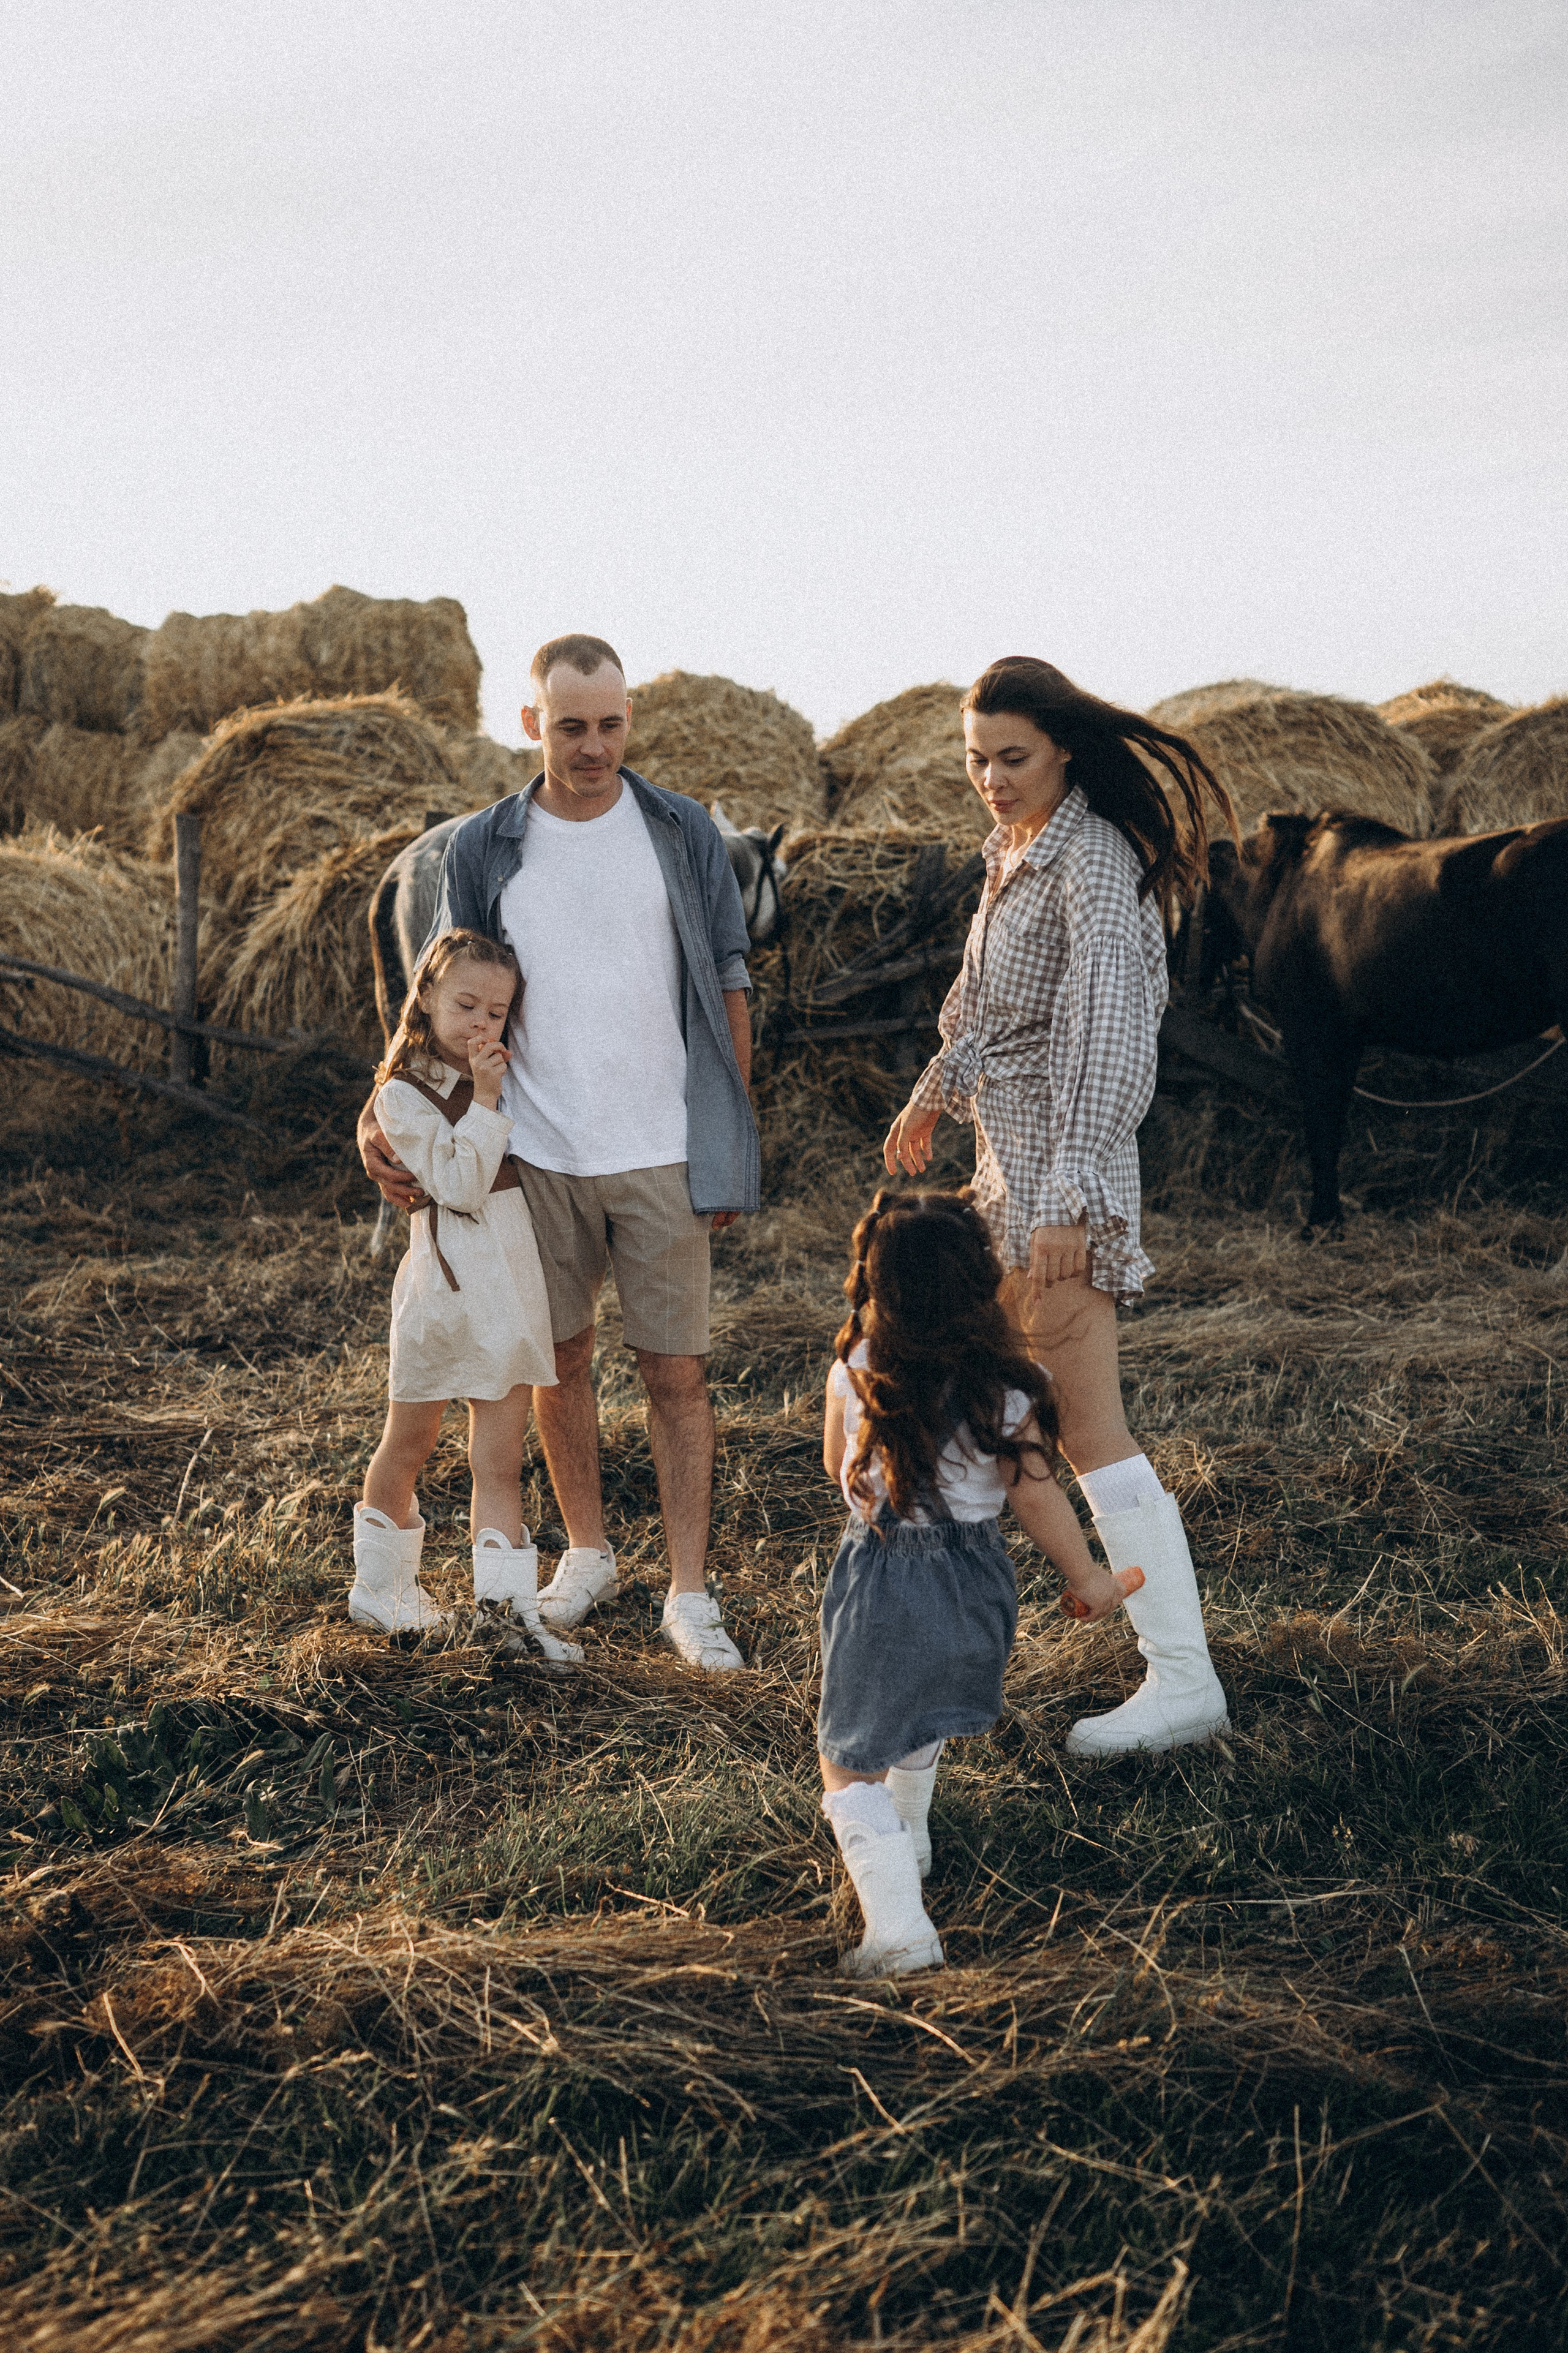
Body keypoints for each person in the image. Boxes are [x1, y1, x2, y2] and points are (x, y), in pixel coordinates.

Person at [358, 635, 759, 1673]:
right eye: (571, 726)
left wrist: (727, 1135)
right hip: (529, 1155)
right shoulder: (486, 846)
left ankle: (690, 1591)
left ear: (631, 718)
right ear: (531, 723)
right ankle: (586, 1550)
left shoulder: (680, 829)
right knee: (559, 1360)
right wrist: (383, 1105)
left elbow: (729, 982)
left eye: (611, 725)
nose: (593, 747)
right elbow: (443, 999)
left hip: (662, 1146)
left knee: (675, 1373)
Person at [883, 657, 1235, 1760]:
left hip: (1060, 1175)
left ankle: (1183, 1679)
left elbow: (1111, 1040)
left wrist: (1072, 1192)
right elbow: (985, 1003)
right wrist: (934, 1090)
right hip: (1007, 1166)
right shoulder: (1016, 849)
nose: (990, 777)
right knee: (996, 1405)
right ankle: (968, 1634)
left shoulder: (1092, 860)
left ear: (1066, 749)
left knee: (1087, 1424)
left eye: (1012, 756)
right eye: (976, 757)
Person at [818, 1191, 1142, 1978]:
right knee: (921, 1705)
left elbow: (837, 1468)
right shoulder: (1013, 1383)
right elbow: (1035, 1492)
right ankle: (914, 1839)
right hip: (977, 1583)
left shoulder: (858, 1368)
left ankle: (899, 1929)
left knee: (848, 1758)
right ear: (983, 1282)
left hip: (887, 1574)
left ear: (878, 1284)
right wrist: (1090, 1577)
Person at [351, 928, 577, 1668]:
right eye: (465, 1003)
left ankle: (507, 1616)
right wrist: (485, 1097)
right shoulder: (400, 1092)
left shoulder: (505, 1073)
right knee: (409, 1441)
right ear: (425, 996)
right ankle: (381, 1589)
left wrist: (490, 1090)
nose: (480, 1023)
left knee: (499, 1461)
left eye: (496, 1010)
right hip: (443, 1293)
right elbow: (458, 1185)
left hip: (508, 1287)